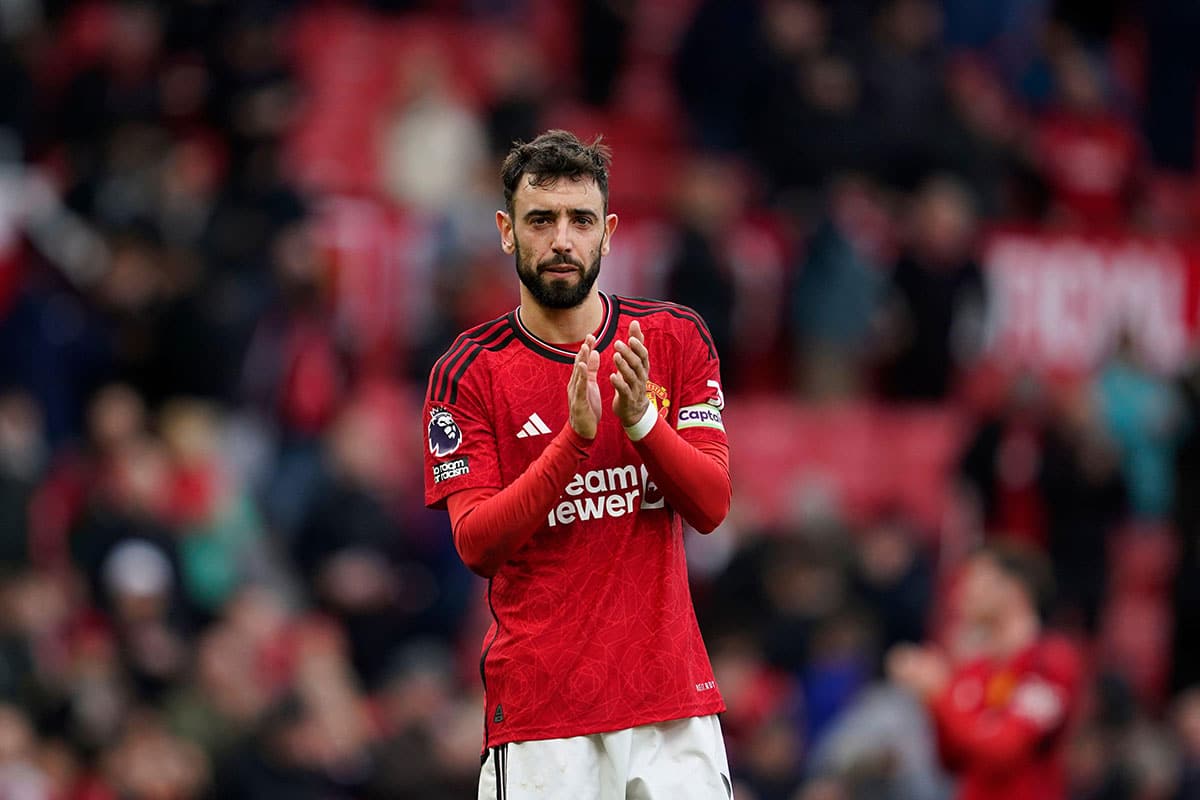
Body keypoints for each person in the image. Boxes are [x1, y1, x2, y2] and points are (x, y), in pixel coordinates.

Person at [422, 130, 734, 799]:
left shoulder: (675, 340)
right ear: (507, 232)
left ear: (609, 232)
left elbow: (710, 505)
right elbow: (476, 543)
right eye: (541, 220)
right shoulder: (470, 372)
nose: (562, 240)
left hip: (671, 706)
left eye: (580, 220)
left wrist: (642, 422)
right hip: (543, 715)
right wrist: (575, 442)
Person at [887, 543, 1083, 800]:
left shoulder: (1052, 661)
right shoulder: (974, 670)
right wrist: (929, 698)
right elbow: (950, 759)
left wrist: (940, 692)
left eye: (973, 579)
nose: (959, 593)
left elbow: (1005, 750)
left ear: (1013, 589)